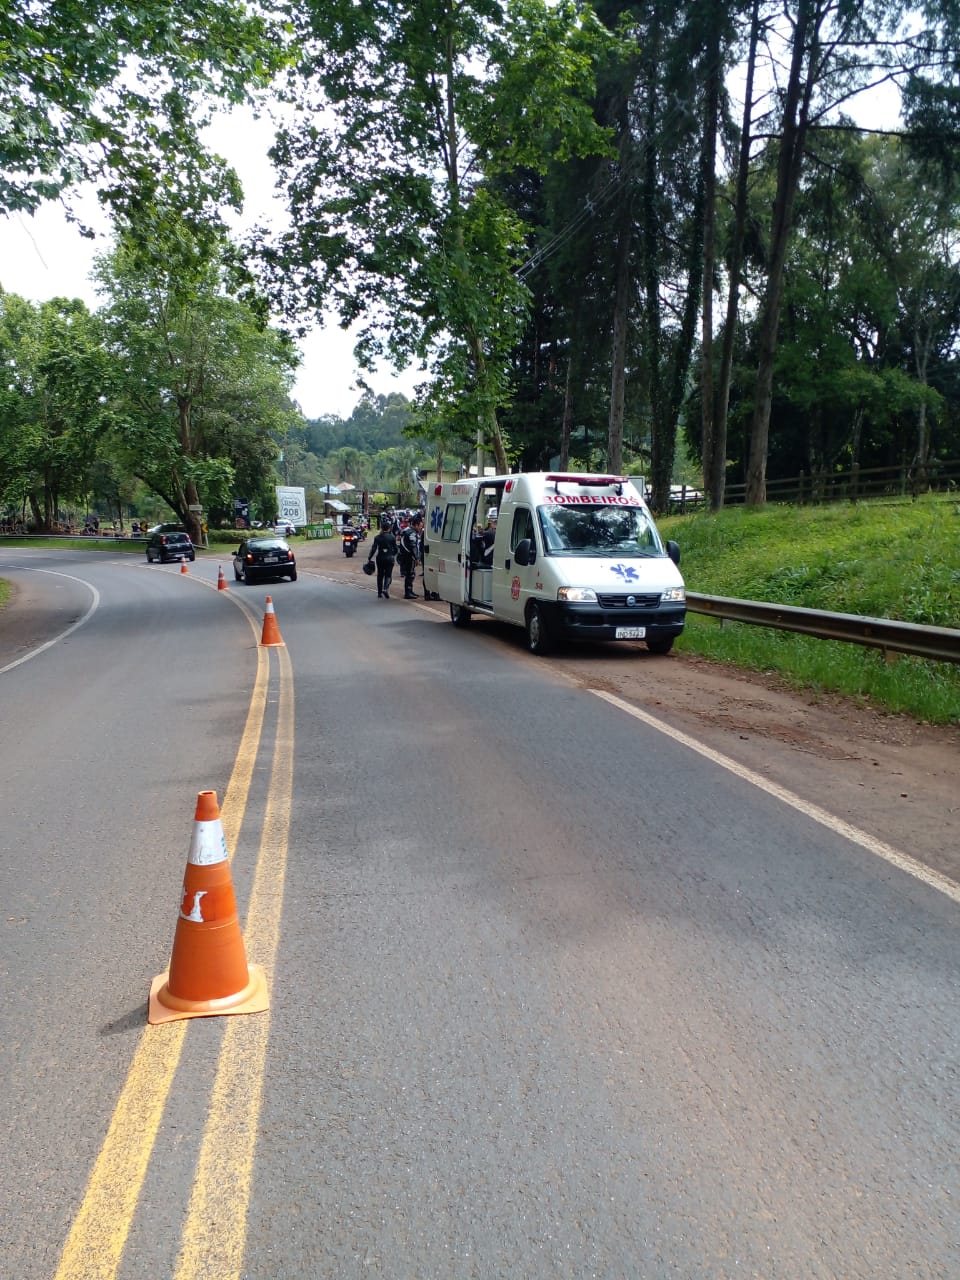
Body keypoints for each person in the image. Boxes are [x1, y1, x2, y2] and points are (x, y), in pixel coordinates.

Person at [366, 515, 398, 598]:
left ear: (381, 528)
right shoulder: (392, 537)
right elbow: (396, 549)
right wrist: (392, 555)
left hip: (380, 558)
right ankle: (385, 588)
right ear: (389, 528)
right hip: (389, 558)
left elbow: (373, 548)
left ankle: (379, 593)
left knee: (380, 575)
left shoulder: (377, 537)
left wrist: (369, 557)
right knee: (388, 575)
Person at [399, 510, 423, 598]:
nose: (420, 528)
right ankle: (408, 592)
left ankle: (410, 591)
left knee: (410, 574)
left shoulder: (406, 530)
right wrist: (416, 558)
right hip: (409, 556)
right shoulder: (412, 533)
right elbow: (413, 546)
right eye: (420, 526)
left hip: (405, 555)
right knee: (410, 574)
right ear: (416, 525)